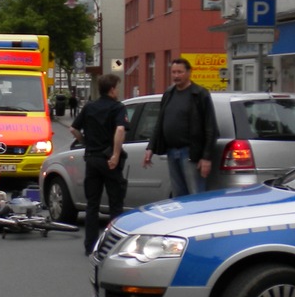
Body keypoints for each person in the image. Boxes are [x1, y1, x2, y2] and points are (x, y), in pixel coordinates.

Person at [71, 72, 130, 255]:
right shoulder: (117, 108)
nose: (118, 90)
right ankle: (114, 246)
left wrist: (85, 142)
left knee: (92, 205)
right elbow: (120, 129)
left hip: (92, 159)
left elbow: (74, 129)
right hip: (109, 160)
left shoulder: (89, 107)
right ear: (112, 89)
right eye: (117, 87)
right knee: (115, 205)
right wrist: (115, 154)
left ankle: (90, 246)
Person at [144, 57, 218, 197]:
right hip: (172, 152)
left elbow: (210, 127)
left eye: (180, 72)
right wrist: (151, 147)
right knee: (179, 197)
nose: (176, 76)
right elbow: (160, 122)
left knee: (196, 196)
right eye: (173, 72)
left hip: (191, 153)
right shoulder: (169, 94)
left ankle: (197, 219)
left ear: (189, 72)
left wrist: (206, 157)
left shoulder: (199, 94)